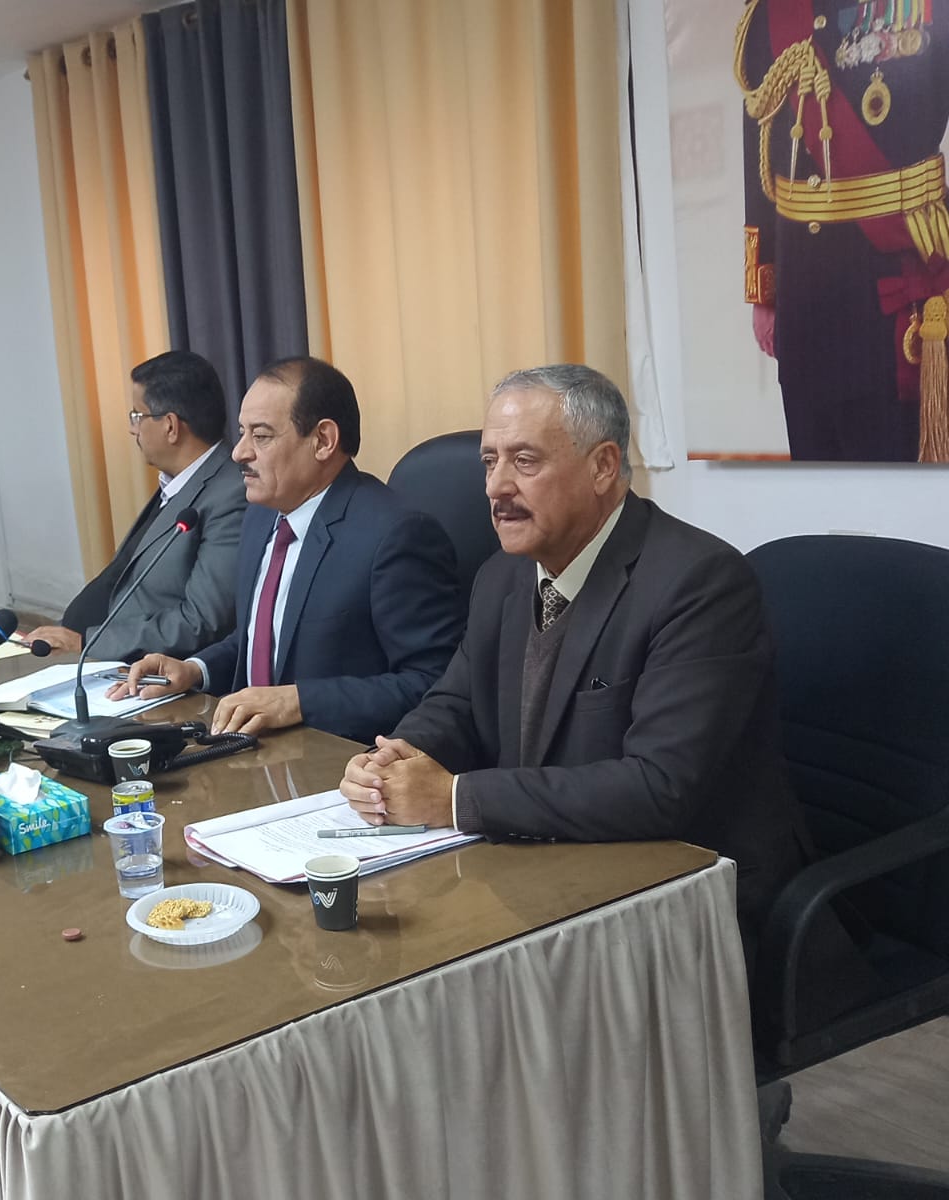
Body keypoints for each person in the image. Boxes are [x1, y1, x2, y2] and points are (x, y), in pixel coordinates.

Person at [338, 364, 808, 934]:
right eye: (489, 461)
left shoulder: (699, 583)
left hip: (682, 893)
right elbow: (458, 701)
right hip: (543, 868)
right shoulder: (502, 575)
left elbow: (659, 787)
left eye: (524, 461)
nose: (495, 487)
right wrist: (398, 758)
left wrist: (454, 798)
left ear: (602, 466)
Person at [111, 357, 464, 744]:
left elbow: (433, 684)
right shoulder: (262, 516)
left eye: (260, 436)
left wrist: (299, 701)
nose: (238, 453)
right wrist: (195, 669)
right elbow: (262, 637)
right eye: (242, 433)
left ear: (323, 441)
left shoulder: (395, 535)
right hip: (250, 746)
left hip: (340, 759)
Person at [737, 0, 949, 461]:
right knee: (815, 472)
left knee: (895, 478)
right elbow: (759, 140)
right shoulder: (770, 12)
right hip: (802, 294)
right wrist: (763, 291)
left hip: (891, 289)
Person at [26, 351, 246, 661]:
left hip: (145, 671)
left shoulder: (231, 494)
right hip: (86, 656)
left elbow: (201, 621)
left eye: (137, 416)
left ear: (170, 426)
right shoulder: (180, 482)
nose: (132, 429)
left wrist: (87, 642)